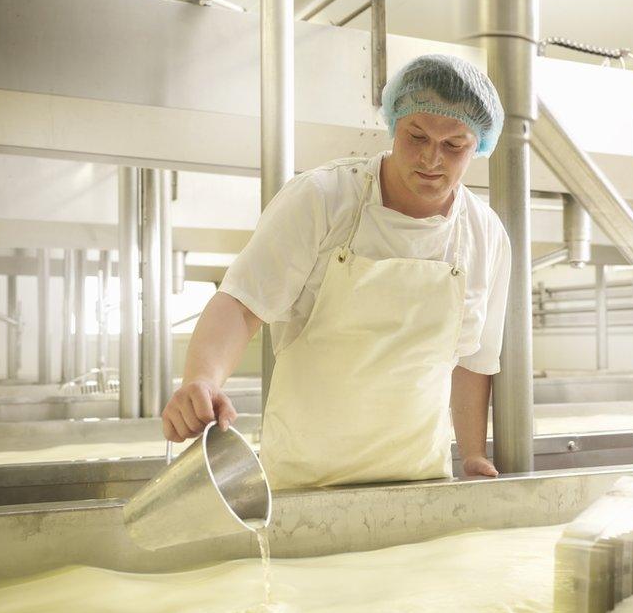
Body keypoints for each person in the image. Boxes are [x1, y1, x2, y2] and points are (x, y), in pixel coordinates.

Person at [163, 53, 511, 490]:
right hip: (304, 479)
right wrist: (202, 378)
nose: (431, 158)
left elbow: (474, 362)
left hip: (418, 478)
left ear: (478, 145)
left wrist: (474, 453)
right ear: (393, 125)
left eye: (453, 145)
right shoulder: (324, 197)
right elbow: (242, 301)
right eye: (416, 136)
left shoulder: (485, 233)